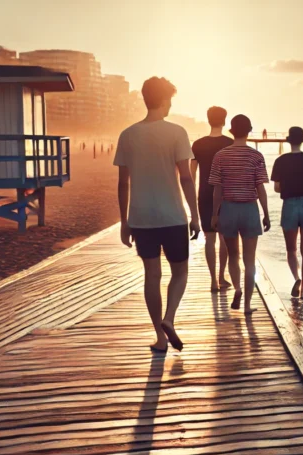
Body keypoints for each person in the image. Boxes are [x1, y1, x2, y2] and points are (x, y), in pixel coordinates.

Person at [113, 76, 199, 352]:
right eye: (170, 99)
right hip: (172, 215)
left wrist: (124, 222)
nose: (171, 104)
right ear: (164, 100)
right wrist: (195, 214)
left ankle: (160, 339)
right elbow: (186, 178)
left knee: (152, 275)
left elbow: (122, 182)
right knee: (180, 272)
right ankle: (169, 318)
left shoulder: (128, 135)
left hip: (141, 217)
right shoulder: (176, 132)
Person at [209, 114, 270, 314]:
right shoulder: (256, 156)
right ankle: (246, 306)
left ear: (231, 130)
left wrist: (215, 214)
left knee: (233, 256)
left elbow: (217, 189)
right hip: (250, 209)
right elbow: (260, 188)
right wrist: (266, 213)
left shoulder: (220, 155)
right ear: (249, 130)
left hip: (228, 208)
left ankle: (237, 289)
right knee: (249, 259)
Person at [272, 127, 303, 299]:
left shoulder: (280, 161)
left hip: (289, 205)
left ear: (288, 141)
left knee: (291, 249)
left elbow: (277, 188)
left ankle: (297, 278)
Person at [190, 106, 234, 292]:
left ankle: (212, 281)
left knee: (209, 238)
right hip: (225, 194)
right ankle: (222, 276)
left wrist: (191, 198)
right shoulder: (230, 143)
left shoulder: (198, 145)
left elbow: (191, 175)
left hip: (205, 194)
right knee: (223, 238)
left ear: (208, 120)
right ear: (224, 121)